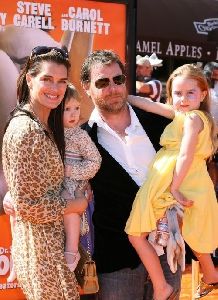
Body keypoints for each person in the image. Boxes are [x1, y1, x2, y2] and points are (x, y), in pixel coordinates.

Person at [79, 49, 182, 300]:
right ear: (86, 87)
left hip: (168, 252)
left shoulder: (158, 123)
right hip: (116, 262)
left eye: (118, 80)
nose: (113, 88)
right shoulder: (83, 139)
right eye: (103, 82)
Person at [2, 46, 89, 300]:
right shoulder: (26, 130)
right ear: (29, 79)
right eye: (47, 79)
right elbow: (29, 207)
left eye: (62, 81)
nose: (56, 88)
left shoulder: (43, 125)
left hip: (50, 252)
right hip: (43, 255)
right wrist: (77, 204)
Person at [125, 64, 218, 299]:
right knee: (192, 232)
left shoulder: (193, 119)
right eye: (178, 93)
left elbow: (186, 154)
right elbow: (152, 105)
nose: (183, 99)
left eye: (190, 93)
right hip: (192, 181)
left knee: (139, 231)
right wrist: (125, 96)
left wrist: (174, 187)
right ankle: (210, 275)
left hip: (182, 181)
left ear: (203, 94)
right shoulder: (186, 116)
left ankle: (164, 284)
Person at [61, 83, 102, 272]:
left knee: (71, 210)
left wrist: (71, 171)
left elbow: (95, 161)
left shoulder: (80, 136)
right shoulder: (49, 132)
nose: (73, 114)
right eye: (67, 109)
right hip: (54, 187)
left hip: (73, 187)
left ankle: (72, 251)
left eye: (76, 108)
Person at [203, 62, 218, 193]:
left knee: (212, 163)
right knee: (205, 162)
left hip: (215, 132)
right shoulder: (202, 86)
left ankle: (212, 190)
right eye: (215, 72)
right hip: (203, 129)